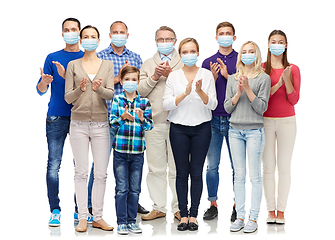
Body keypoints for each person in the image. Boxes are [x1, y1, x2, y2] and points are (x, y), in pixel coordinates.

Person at [163, 38, 217, 231]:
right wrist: (185, 93)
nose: (188, 55)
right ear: (180, 54)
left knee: (196, 172)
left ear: (198, 52)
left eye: (192, 51)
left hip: (202, 128)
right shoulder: (173, 76)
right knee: (181, 173)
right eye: (184, 51)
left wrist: (200, 92)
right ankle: (183, 215)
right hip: (178, 129)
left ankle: (194, 215)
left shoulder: (207, 75)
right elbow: (166, 104)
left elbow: (213, 104)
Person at [64, 25, 114, 232]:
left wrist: (98, 88)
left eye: (93, 36)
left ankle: (99, 217)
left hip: (102, 124)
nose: (89, 39)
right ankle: (83, 217)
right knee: (81, 172)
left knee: (101, 173)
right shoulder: (73, 65)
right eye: (86, 36)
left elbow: (110, 94)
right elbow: (68, 97)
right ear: (81, 39)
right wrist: (80, 89)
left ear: (99, 40)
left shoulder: (108, 64)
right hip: (78, 124)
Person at [96, 21, 148, 214]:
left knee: (133, 165)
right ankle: (91, 205)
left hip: (132, 123)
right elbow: (97, 86)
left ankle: (133, 202)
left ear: (127, 35)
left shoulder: (136, 57)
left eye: (122, 32)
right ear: (110, 35)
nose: (119, 35)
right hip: (107, 118)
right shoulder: (100, 57)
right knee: (100, 165)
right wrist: (118, 77)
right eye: (115, 32)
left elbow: (140, 87)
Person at [36, 18, 84, 227]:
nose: (70, 32)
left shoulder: (87, 57)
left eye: (74, 29)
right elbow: (39, 91)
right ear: (62, 33)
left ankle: (79, 209)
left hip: (81, 117)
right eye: (67, 30)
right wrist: (43, 83)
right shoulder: (52, 57)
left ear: (80, 32)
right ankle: (54, 210)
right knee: (54, 164)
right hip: (56, 116)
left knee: (80, 166)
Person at [224, 41, 271, 233]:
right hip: (234, 131)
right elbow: (228, 107)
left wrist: (248, 89)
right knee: (239, 176)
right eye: (244, 52)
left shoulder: (264, 78)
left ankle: (253, 218)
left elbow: (261, 108)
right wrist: (238, 92)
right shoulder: (232, 78)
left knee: (255, 176)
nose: (247, 54)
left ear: (257, 54)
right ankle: (240, 217)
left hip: (254, 132)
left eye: (251, 51)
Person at [138, 26, 183, 221]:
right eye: (161, 39)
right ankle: (158, 207)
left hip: (179, 124)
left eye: (169, 39)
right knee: (155, 168)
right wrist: (155, 76)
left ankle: (179, 207)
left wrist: (171, 74)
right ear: (156, 41)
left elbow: (188, 89)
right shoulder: (148, 64)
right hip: (154, 124)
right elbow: (140, 91)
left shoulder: (183, 63)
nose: (165, 42)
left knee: (178, 169)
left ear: (175, 40)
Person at [262, 30, 301, 224]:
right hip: (265, 122)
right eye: (273, 41)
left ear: (286, 45)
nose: (277, 44)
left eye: (281, 42)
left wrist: (287, 80)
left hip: (287, 122)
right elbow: (261, 99)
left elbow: (294, 100)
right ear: (268, 45)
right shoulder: (261, 68)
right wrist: (278, 84)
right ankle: (270, 210)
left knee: (284, 167)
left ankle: (281, 211)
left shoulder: (293, 69)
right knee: (268, 167)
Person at [110, 66, 153, 235]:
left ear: (138, 81)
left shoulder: (145, 102)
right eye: (127, 79)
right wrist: (122, 118)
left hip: (137, 153)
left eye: (133, 79)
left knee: (135, 189)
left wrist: (142, 119)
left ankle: (131, 221)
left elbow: (150, 125)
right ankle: (121, 222)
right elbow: (112, 122)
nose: (130, 82)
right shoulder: (117, 100)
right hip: (120, 151)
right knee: (122, 188)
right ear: (121, 81)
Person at [201, 21, 238, 221]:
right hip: (212, 120)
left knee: (236, 166)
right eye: (221, 33)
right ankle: (213, 204)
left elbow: (243, 88)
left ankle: (236, 204)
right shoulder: (207, 62)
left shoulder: (241, 59)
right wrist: (213, 79)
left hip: (235, 120)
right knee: (212, 165)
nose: (225, 36)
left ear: (234, 37)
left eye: (228, 33)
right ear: (216, 38)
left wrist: (227, 75)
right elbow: (202, 94)